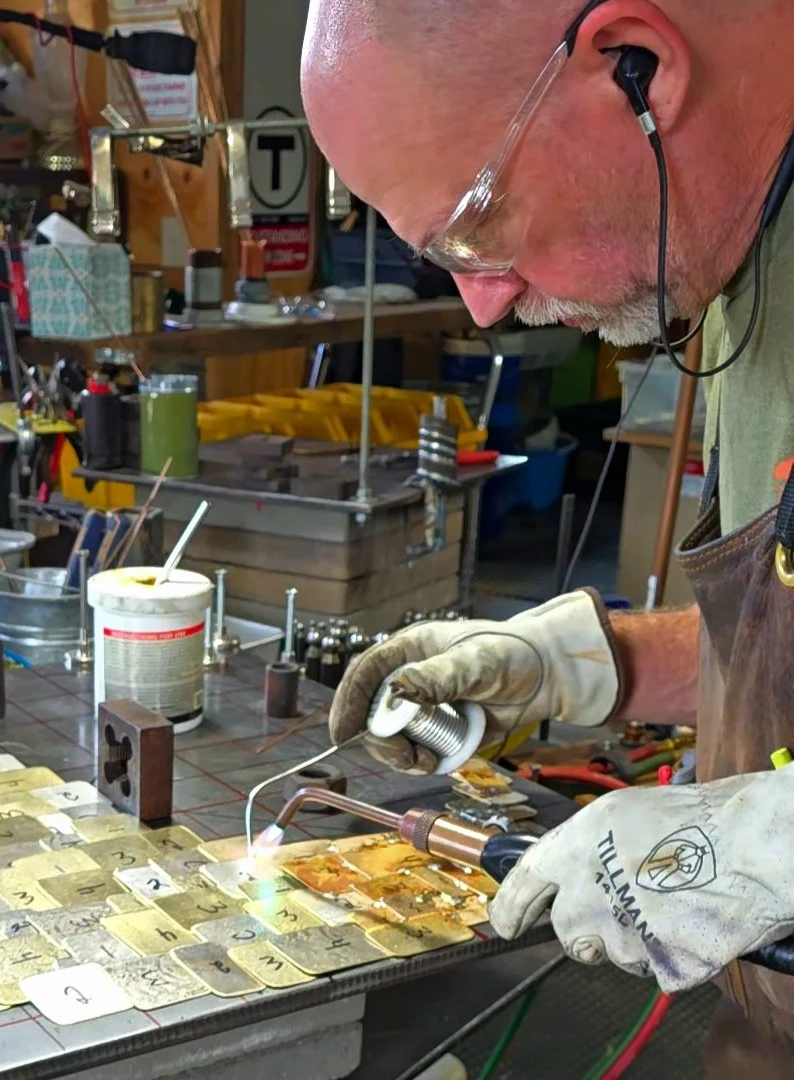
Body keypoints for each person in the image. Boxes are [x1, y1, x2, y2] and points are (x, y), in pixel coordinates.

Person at [301, 0, 794, 1074]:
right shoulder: (738, 253)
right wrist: (592, 664)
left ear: (637, 67)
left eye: (473, 232)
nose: (481, 307)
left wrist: (772, 845)